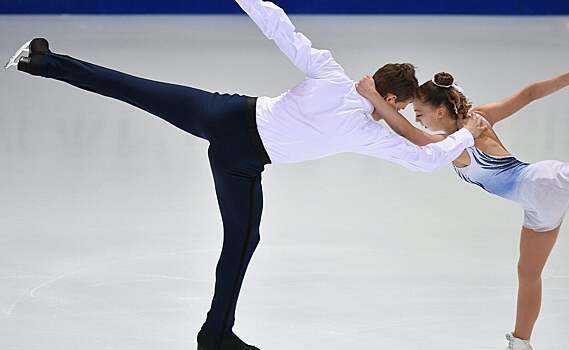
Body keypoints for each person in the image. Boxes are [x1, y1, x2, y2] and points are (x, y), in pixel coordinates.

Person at [4, 1, 486, 349]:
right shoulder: (369, 131)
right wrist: (468, 133)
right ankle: (215, 336)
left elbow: (279, 26)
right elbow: (426, 160)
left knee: (136, 89)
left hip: (226, 116)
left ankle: (41, 61)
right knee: (241, 242)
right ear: (397, 100)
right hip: (242, 158)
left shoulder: (333, 75)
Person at [356, 43, 569, 350]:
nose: (419, 119)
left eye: (420, 113)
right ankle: (520, 342)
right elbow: (528, 94)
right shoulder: (472, 124)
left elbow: (410, 133)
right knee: (527, 273)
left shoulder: (459, 143)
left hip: (542, 184)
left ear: (440, 110)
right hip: (535, 205)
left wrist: (373, 98)